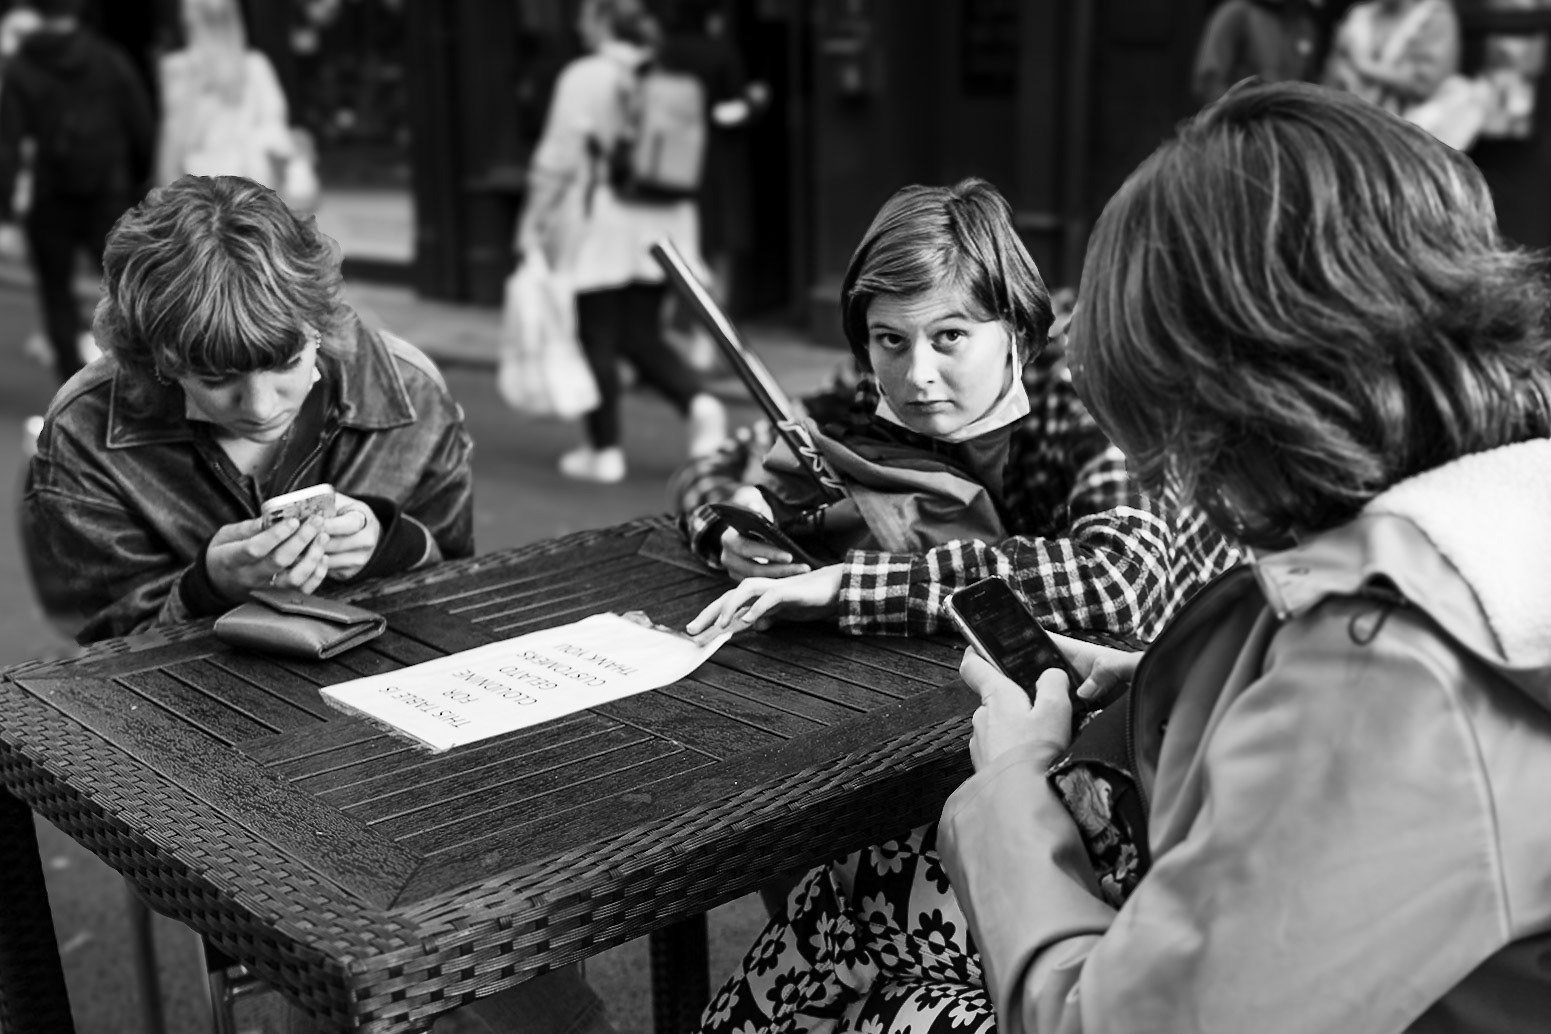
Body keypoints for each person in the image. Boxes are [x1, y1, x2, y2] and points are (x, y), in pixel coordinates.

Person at [940, 81, 1551, 1031]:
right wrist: (1167, 679)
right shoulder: (1496, 534)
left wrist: (1009, 786)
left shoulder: (1386, 681)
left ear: (1248, 404)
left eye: (1178, 443)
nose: (1187, 487)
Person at [19, 174, 618, 1034]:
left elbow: (465, 587)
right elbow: (107, 674)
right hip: (218, 757)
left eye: (283, 362)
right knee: (407, 899)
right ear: (156, 356)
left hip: (413, 732)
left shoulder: (402, 388)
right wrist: (205, 588)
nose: (259, 407)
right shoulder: (87, 425)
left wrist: (388, 541)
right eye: (218, 380)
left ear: (319, 321)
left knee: (504, 825)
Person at [682, 178, 1242, 648]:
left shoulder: (1091, 401)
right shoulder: (864, 398)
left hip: (1199, 668)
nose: (917, 374)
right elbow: (710, 473)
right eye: (890, 340)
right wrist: (732, 531)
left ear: (1016, 332)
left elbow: (1120, 581)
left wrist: (846, 588)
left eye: (950, 336)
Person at [514, 0, 728, 485]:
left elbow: (557, 156)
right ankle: (700, 403)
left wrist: (532, 222)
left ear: (602, 20)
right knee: (639, 332)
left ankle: (603, 450)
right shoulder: (669, 72)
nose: (576, 23)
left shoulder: (584, 77)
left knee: (598, 336)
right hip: (664, 221)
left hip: (601, 220)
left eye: (583, 14)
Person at [0, 0, 154, 386]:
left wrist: (5, 209)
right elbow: (141, 124)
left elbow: (8, 144)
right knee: (126, 287)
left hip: (51, 194)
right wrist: (137, 182)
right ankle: (137, 377)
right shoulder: (108, 59)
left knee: (56, 294)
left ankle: (74, 385)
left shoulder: (22, 67)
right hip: (108, 190)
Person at [155, 0, 314, 210]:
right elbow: (277, 139)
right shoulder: (256, 67)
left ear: (188, 19)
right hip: (251, 198)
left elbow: (171, 149)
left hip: (200, 200)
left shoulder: (178, 69)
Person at [1323, 0, 1487, 149]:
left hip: (1409, 131)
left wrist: (1364, 66)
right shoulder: (1360, 16)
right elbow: (1332, 78)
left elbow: (1423, 84)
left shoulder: (1435, 14)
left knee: (1464, 95)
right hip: (1350, 122)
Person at [1191, 0, 1322, 105]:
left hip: (1284, 128)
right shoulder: (1237, 12)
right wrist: (1237, 116)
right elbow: (1209, 79)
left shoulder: (1304, 26)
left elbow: (1309, 86)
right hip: (1238, 127)